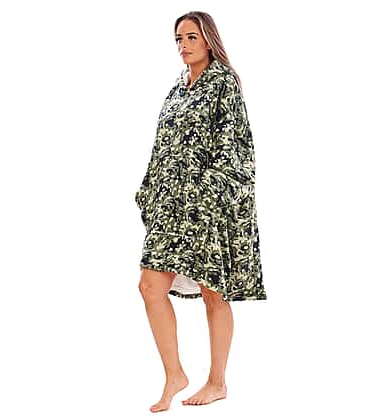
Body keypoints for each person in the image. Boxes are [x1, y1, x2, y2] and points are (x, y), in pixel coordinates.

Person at [134, 11, 267, 413]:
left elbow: (235, 146)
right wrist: (150, 188)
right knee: (150, 286)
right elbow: (163, 145)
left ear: (208, 39)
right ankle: (174, 373)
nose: (184, 45)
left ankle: (217, 382)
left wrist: (209, 190)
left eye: (191, 37)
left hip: (209, 204)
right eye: (178, 38)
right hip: (170, 204)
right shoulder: (177, 88)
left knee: (214, 292)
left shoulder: (223, 83)